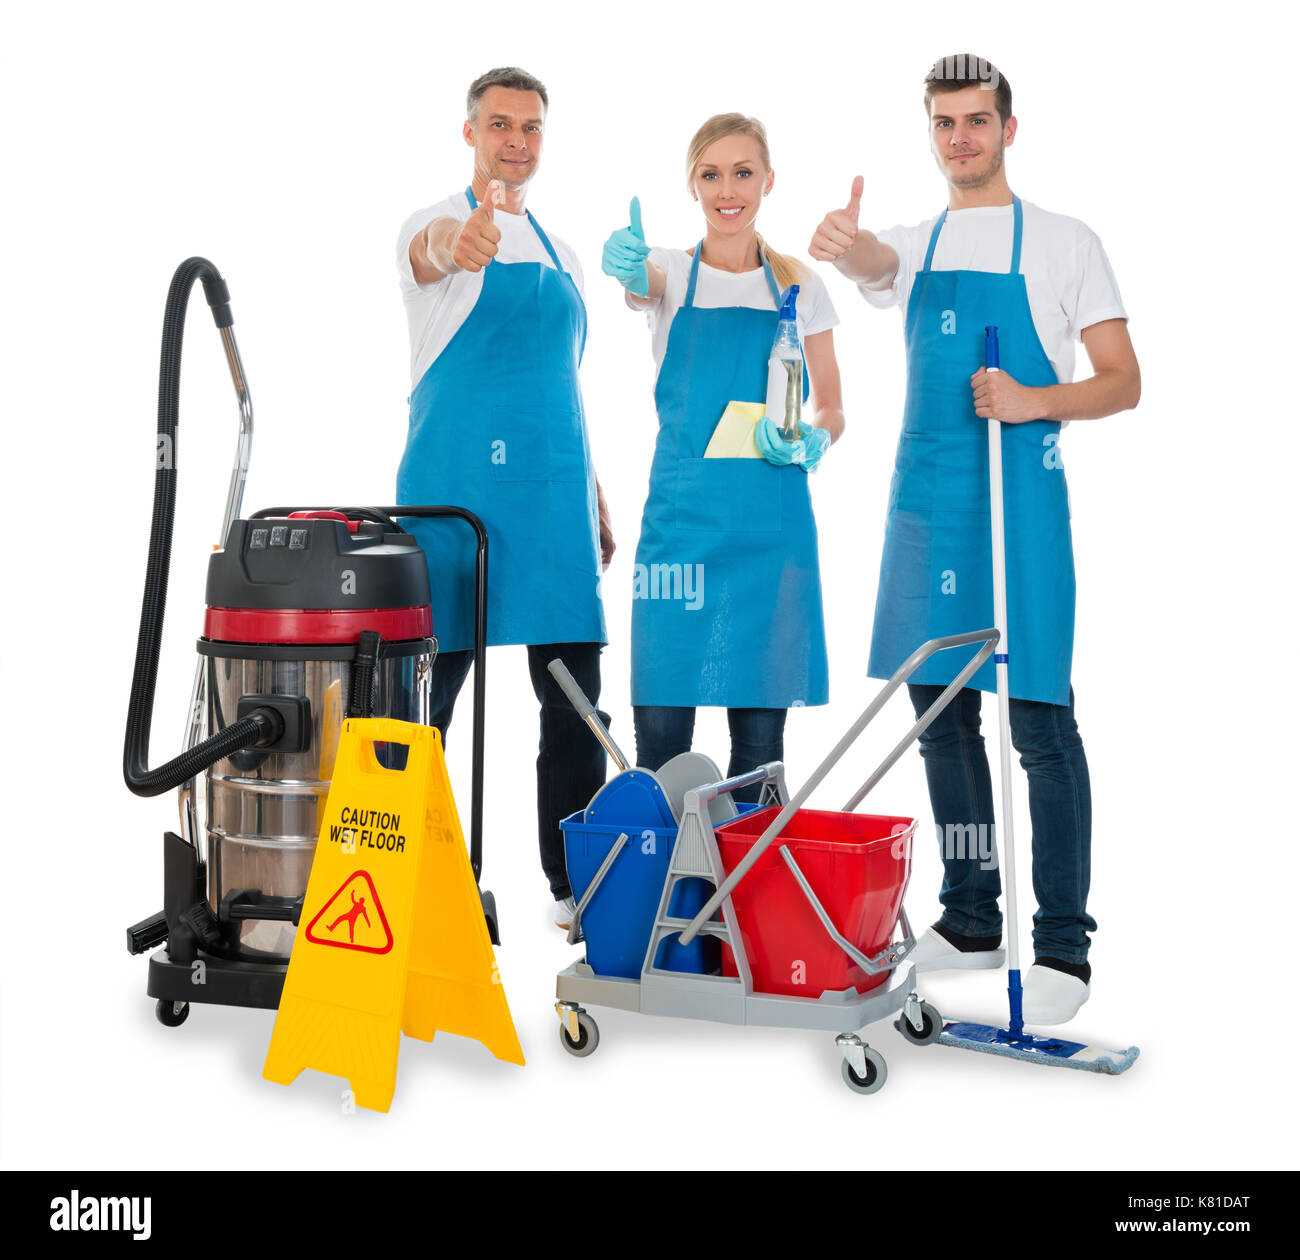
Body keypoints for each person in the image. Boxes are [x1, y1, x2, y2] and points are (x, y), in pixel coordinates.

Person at [810, 55, 1140, 1024]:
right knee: (940, 715)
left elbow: (1122, 378)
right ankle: (969, 913)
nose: (960, 137)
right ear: (931, 133)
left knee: (1038, 720)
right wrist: (850, 246)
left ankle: (1063, 948)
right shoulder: (918, 242)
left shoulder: (1066, 243)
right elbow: (877, 265)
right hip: (930, 507)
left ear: (1007, 126)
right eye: (944, 123)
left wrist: (1037, 398)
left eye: (975, 120)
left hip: (1019, 511)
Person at [395, 66, 615, 931]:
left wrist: (592, 489)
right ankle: (406, 880)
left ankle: (574, 890)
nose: (515, 141)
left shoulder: (563, 255)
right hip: (457, 500)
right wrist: (461, 242)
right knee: (424, 700)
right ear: (470, 133)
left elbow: (564, 384)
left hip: (555, 500)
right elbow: (433, 251)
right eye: (499, 125)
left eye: (529, 128)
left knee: (576, 702)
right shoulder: (433, 227)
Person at [603, 113, 844, 792]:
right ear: (693, 185)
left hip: (771, 540)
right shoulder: (673, 274)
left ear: (768, 180)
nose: (727, 189)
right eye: (711, 174)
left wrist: (815, 437)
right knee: (660, 739)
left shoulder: (802, 285)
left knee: (760, 750)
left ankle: (741, 894)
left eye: (743, 172)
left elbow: (832, 403)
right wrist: (628, 265)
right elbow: (639, 285)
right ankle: (660, 893)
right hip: (680, 534)